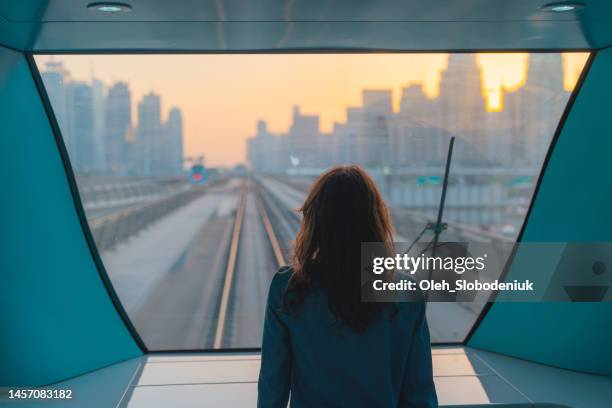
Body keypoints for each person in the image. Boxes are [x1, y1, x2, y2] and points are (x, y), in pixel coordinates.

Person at [258, 165, 437, 408]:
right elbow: (419, 394)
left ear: (314, 221)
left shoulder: (287, 287)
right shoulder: (406, 291)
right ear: (376, 221)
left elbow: (273, 385)